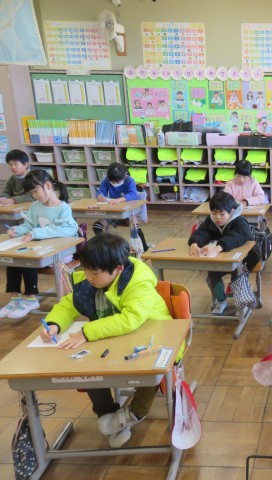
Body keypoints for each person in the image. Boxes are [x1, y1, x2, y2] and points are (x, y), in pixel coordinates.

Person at [39, 234, 174, 448]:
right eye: (85, 270)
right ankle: (107, 415)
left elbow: (130, 319)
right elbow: (68, 304)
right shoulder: (93, 277)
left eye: (95, 273)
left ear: (118, 269)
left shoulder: (138, 281)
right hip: (110, 339)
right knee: (88, 370)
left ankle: (133, 415)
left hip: (153, 337)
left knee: (151, 370)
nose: (88, 277)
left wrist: (86, 332)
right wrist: (54, 323)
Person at [0, 170, 78, 319]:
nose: (34, 196)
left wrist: (36, 233)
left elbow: (68, 230)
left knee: (28, 259)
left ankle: (31, 298)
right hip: (41, 250)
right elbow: (29, 226)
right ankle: (15, 298)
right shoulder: (35, 206)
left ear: (47, 186)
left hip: (60, 253)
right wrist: (18, 230)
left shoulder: (63, 208)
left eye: (35, 191)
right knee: (14, 259)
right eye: (31, 193)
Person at [188, 191, 260, 315]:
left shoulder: (240, 221)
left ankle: (242, 304)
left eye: (222, 214)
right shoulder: (211, 220)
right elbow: (202, 232)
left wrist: (218, 247)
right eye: (214, 213)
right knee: (212, 275)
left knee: (237, 275)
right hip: (221, 258)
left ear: (231, 211)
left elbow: (237, 237)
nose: (217, 217)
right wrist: (194, 243)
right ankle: (221, 301)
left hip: (246, 259)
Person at [93, 163, 149, 252]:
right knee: (97, 226)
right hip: (113, 212)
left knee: (134, 226)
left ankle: (145, 248)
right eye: (113, 181)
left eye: (117, 181)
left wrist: (119, 200)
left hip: (128, 212)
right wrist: (100, 196)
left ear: (125, 175)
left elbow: (133, 195)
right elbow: (101, 191)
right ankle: (106, 249)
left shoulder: (129, 180)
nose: (115, 183)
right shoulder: (106, 180)